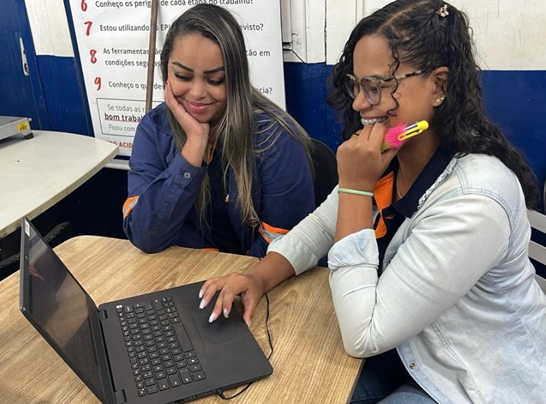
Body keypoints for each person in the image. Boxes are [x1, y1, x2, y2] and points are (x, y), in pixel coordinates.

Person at [199, 1, 546, 403]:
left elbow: (364, 335)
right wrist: (258, 277)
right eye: (357, 85)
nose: (361, 104)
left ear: (439, 85)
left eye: (377, 86)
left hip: (472, 379)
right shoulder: (394, 155)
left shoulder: (475, 199)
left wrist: (356, 187)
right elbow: (321, 227)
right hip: (409, 348)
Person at [123, 4, 314, 257]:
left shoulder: (276, 139)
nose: (198, 93)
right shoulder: (154, 128)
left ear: (236, 78)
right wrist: (194, 146)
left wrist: (233, 281)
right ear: (166, 71)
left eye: (215, 80)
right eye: (183, 76)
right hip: (187, 274)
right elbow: (145, 235)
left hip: (254, 280)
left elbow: (285, 248)